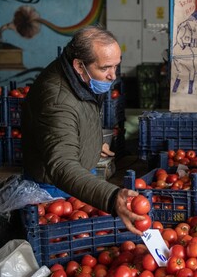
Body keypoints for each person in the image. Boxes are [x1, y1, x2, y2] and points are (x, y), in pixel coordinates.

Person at [22, 25, 145, 235]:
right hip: (56, 188)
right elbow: (62, 166)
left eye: (116, 66)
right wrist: (112, 197)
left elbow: (78, 117)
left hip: (80, 178)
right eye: (105, 68)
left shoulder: (79, 76)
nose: (112, 75)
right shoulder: (57, 100)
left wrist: (93, 143)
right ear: (79, 65)